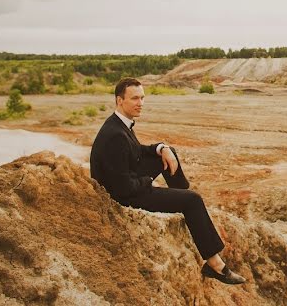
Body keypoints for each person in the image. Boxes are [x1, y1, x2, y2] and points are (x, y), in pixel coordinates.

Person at [90, 77, 246, 285]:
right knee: (192, 200)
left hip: (129, 180)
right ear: (120, 100)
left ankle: (180, 196)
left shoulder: (120, 124)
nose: (140, 103)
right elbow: (123, 187)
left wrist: (161, 147)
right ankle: (215, 265)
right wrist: (148, 182)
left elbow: (137, 151)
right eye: (135, 98)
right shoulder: (114, 135)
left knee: (167, 153)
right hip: (124, 196)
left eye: (143, 98)